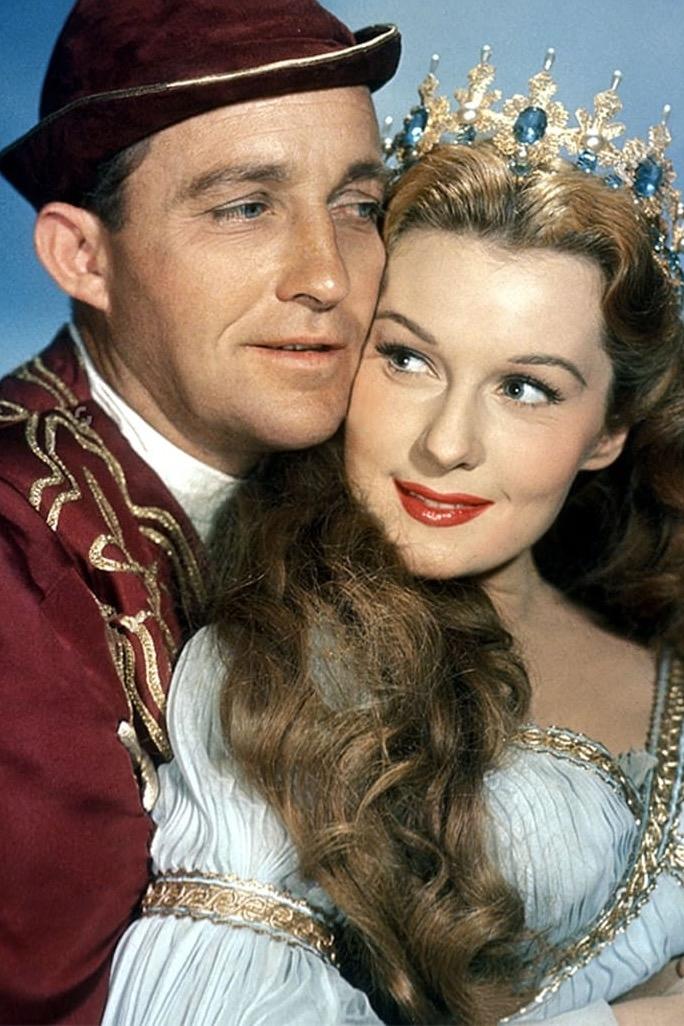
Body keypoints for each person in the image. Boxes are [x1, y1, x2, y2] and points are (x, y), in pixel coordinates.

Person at [102, 54, 684, 1026]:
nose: (446, 444)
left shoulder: (664, 670)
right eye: (408, 359)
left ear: (609, 430)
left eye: (525, 388)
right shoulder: (275, 671)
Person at [0, 1, 400, 1021]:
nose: (328, 277)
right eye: (246, 207)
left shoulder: (400, 476)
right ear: (83, 256)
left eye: (358, 204)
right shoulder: (14, 557)